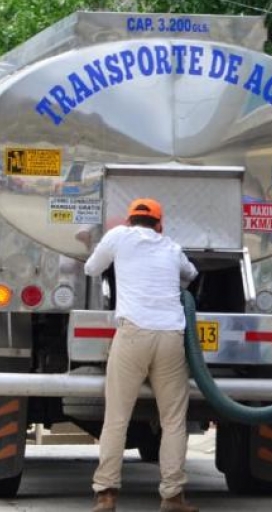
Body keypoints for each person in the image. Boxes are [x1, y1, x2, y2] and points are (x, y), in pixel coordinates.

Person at [85, 198, 199, 512]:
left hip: (133, 333)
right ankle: (173, 496)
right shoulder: (171, 246)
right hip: (170, 336)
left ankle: (106, 493)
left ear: (128, 220)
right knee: (174, 420)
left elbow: (91, 268)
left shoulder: (118, 237)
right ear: (159, 224)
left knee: (117, 417)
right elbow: (191, 274)